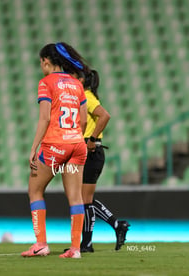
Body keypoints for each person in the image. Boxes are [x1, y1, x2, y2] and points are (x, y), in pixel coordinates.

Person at [21, 42, 89, 259]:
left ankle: (41, 244)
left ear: (46, 62)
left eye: (41, 63)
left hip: (55, 144)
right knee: (76, 198)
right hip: (77, 144)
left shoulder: (46, 83)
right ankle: (75, 249)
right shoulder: (77, 84)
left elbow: (45, 117)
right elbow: (85, 120)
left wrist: (34, 148)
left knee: (35, 189)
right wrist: (74, 139)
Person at [80, 70, 130, 252]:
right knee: (85, 199)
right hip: (90, 152)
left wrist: (92, 140)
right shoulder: (87, 96)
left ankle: (87, 243)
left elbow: (105, 115)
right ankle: (117, 225)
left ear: (82, 80)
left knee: (85, 200)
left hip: (91, 152)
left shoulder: (87, 97)